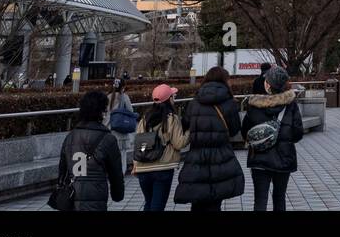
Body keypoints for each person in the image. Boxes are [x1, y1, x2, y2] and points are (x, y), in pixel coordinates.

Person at [173, 66, 245, 211]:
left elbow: (186, 124)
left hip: (196, 157)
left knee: (197, 198)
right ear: (224, 81)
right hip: (220, 157)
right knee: (215, 199)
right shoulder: (229, 102)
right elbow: (234, 130)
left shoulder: (194, 102)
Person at [241, 66, 304, 210]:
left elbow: (245, 133)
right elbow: (298, 133)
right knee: (280, 198)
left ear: (268, 85)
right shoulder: (291, 105)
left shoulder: (254, 105)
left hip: (259, 159)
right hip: (284, 158)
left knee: (260, 200)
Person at [54, 90, 125, 211]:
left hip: (71, 196)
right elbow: (116, 172)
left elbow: (63, 169)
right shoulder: (108, 138)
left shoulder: (71, 136)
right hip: (96, 197)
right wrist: (118, 194)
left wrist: (61, 187)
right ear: (101, 112)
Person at [131, 83, 188, 211]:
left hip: (143, 169)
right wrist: (189, 131)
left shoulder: (144, 119)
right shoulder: (172, 119)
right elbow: (179, 143)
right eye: (173, 97)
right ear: (169, 100)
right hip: (163, 168)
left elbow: (139, 144)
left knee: (148, 203)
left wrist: (135, 165)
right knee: (157, 206)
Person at [105, 78, 135, 174]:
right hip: (121, 130)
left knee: (110, 154)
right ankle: (120, 174)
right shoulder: (124, 97)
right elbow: (130, 111)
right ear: (123, 87)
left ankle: (110, 173)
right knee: (122, 155)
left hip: (109, 129)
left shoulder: (108, 96)